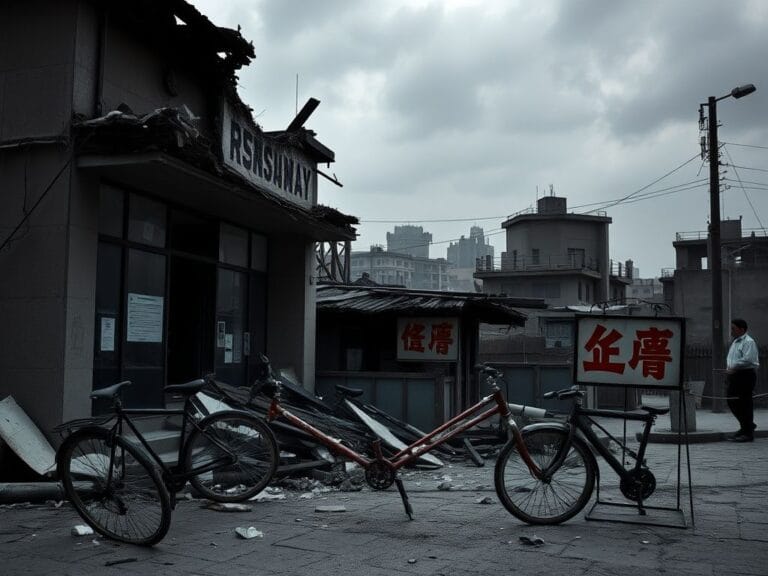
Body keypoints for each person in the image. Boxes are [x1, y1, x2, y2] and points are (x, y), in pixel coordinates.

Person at [725, 318, 759, 442]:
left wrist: (734, 367)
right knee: (732, 401)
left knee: (745, 403)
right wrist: (729, 368)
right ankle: (747, 426)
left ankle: (748, 432)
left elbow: (748, 359)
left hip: (745, 375)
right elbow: (732, 358)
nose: (731, 331)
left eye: (733, 328)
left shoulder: (748, 342)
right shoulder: (735, 342)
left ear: (742, 329)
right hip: (735, 375)